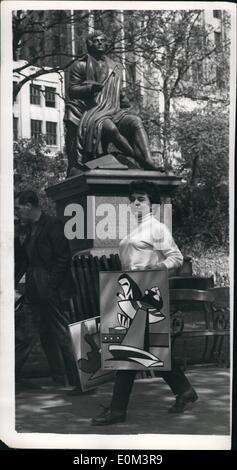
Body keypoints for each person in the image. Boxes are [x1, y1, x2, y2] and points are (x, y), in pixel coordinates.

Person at [92, 180, 198, 425]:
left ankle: (118, 410)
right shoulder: (133, 231)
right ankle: (185, 391)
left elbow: (176, 258)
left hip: (148, 294)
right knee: (149, 350)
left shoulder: (157, 229)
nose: (135, 203)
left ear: (152, 203)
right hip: (130, 294)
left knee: (129, 351)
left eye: (141, 198)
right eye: (132, 199)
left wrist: (157, 267)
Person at [64, 30, 164, 176]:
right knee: (110, 129)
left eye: (103, 40)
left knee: (135, 121)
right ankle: (138, 159)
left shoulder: (115, 66)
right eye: (96, 40)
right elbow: (72, 90)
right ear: (89, 44)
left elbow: (118, 90)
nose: (100, 43)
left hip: (113, 109)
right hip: (93, 111)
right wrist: (89, 88)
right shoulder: (80, 65)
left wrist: (123, 99)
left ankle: (149, 161)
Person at [14, 190, 79, 388]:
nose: (17, 213)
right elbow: (23, 261)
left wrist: (50, 285)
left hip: (50, 290)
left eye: (18, 208)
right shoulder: (29, 229)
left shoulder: (53, 225)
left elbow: (63, 258)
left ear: (29, 205)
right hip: (34, 289)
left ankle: (79, 381)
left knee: (62, 334)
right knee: (29, 334)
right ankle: (13, 378)